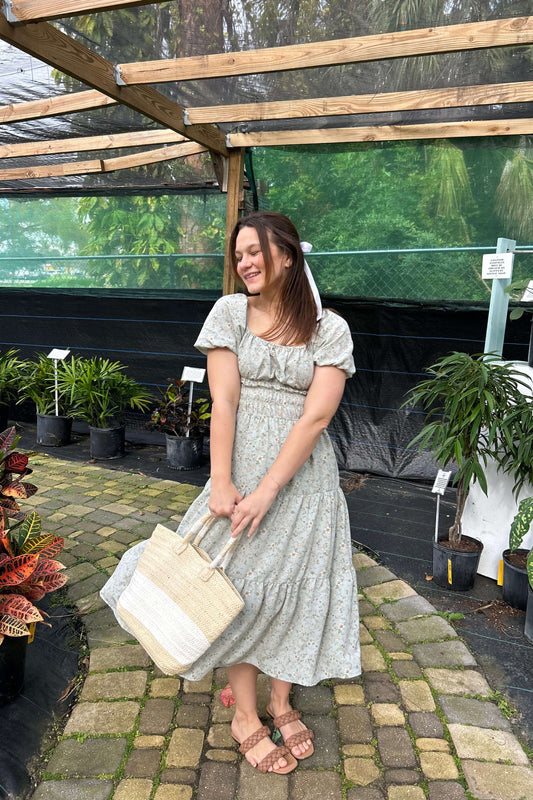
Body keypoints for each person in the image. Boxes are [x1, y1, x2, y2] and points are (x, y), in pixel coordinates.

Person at [176, 211, 360, 774]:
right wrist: (225, 480)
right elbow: (224, 401)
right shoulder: (229, 313)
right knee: (240, 586)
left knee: (298, 587)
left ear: (286, 256)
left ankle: (281, 702)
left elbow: (317, 415)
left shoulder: (330, 328)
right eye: (239, 255)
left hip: (304, 480)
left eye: (255, 251)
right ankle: (245, 716)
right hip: (242, 469)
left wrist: (271, 489)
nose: (245, 263)